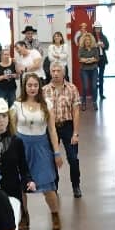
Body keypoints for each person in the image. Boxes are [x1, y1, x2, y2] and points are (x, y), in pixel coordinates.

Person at [14, 74, 65, 230]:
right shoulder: (17, 105)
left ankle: (55, 214)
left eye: (35, 85)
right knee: (21, 184)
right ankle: (24, 215)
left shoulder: (46, 104)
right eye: (29, 85)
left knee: (48, 185)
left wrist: (56, 153)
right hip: (22, 146)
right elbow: (12, 129)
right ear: (24, 87)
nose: (32, 88)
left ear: (39, 87)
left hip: (41, 147)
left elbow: (52, 129)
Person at [0, 98, 33, 230]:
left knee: (11, 229)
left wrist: (29, 180)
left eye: (4, 116)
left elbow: (23, 167)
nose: (1, 120)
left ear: (8, 119)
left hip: (12, 189)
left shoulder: (17, 142)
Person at [44, 62, 83, 198]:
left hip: (68, 126)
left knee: (73, 158)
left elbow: (76, 111)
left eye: (58, 70)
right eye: (53, 70)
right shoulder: (44, 90)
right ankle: (54, 186)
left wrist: (75, 133)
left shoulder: (72, 88)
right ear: (50, 73)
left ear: (63, 72)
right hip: (51, 127)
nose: (55, 73)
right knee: (51, 159)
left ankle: (76, 185)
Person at [78, 32, 102, 109]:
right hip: (84, 70)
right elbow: (80, 59)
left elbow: (97, 58)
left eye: (89, 40)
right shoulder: (81, 49)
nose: (87, 41)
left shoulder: (95, 48)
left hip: (94, 69)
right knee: (85, 87)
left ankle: (94, 102)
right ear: (84, 41)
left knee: (94, 87)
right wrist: (90, 59)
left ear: (91, 41)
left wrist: (87, 60)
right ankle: (84, 102)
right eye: (86, 40)